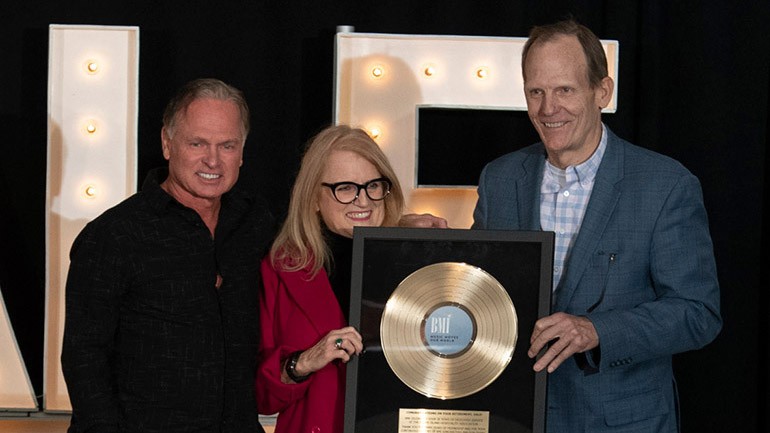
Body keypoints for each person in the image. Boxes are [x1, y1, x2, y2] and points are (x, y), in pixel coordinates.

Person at [472, 20, 722, 432]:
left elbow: (698, 313)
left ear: (602, 91)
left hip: (622, 422)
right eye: (536, 92)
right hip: (511, 417)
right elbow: (480, 290)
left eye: (565, 90)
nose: (548, 108)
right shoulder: (499, 179)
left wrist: (596, 331)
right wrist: (427, 250)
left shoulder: (666, 185)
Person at [61, 78, 274, 433]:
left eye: (227, 145)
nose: (213, 160)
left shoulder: (256, 222)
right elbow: (85, 360)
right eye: (197, 143)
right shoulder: (114, 235)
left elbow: (318, 238)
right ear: (166, 143)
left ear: (242, 151)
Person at [257, 125, 422, 433]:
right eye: (345, 188)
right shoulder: (281, 267)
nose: (363, 201)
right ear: (314, 198)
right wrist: (303, 362)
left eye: (373, 185)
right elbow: (260, 397)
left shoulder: (414, 261)